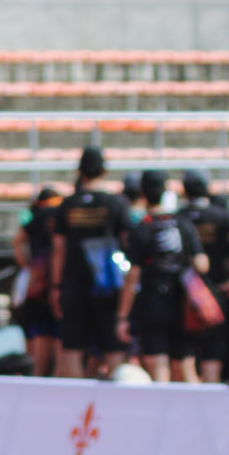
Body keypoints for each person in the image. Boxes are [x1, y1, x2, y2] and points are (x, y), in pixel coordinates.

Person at [117, 170, 208, 384]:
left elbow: (133, 275)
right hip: (181, 301)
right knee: (186, 366)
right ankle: (196, 407)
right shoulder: (182, 223)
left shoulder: (141, 228)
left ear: (142, 193)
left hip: (152, 302)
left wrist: (122, 316)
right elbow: (202, 264)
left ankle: (163, 407)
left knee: (158, 367)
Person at [50, 146, 133, 379]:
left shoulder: (67, 205)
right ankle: (116, 393)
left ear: (80, 171)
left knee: (72, 348)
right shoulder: (116, 203)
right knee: (113, 347)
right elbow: (127, 243)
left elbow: (58, 249)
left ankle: (76, 398)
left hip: (74, 283)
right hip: (108, 284)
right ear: (104, 171)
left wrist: (56, 286)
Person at [180, 171, 229, 384]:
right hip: (215, 293)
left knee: (186, 354)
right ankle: (210, 394)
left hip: (185, 294)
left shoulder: (180, 216)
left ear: (185, 189)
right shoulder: (221, 215)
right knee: (212, 353)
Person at [12, 185, 62, 376]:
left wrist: (26, 264)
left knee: (38, 339)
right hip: (60, 282)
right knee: (61, 342)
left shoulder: (36, 216)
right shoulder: (64, 212)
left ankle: (35, 377)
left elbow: (18, 240)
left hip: (38, 281)